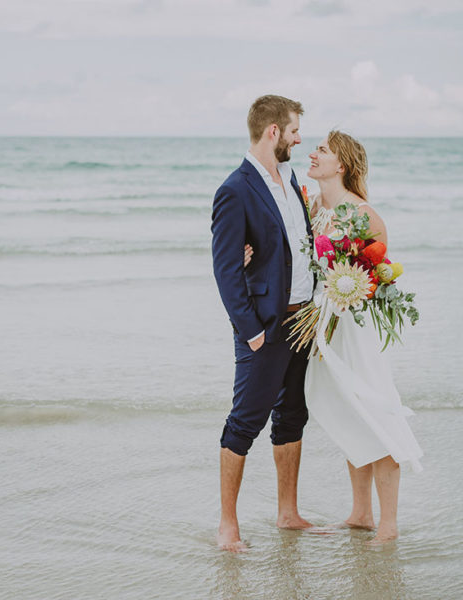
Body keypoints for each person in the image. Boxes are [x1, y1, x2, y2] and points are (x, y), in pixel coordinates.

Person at [245, 131, 423, 545]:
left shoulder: (364, 213)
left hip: (351, 330)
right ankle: (361, 514)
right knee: (345, 415)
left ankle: (389, 524)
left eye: (322, 150)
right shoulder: (308, 206)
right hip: (320, 325)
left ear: (340, 165)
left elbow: (376, 278)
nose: (312, 153)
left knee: (372, 412)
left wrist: (349, 289)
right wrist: (247, 253)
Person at [211, 95, 315, 553]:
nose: (298, 138)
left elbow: (294, 247)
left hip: (302, 323)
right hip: (264, 328)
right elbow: (225, 268)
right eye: (294, 130)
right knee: (244, 423)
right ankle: (227, 525)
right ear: (273, 131)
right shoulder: (235, 189)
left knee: (292, 415)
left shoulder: (290, 182)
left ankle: (287, 513)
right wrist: (250, 329)